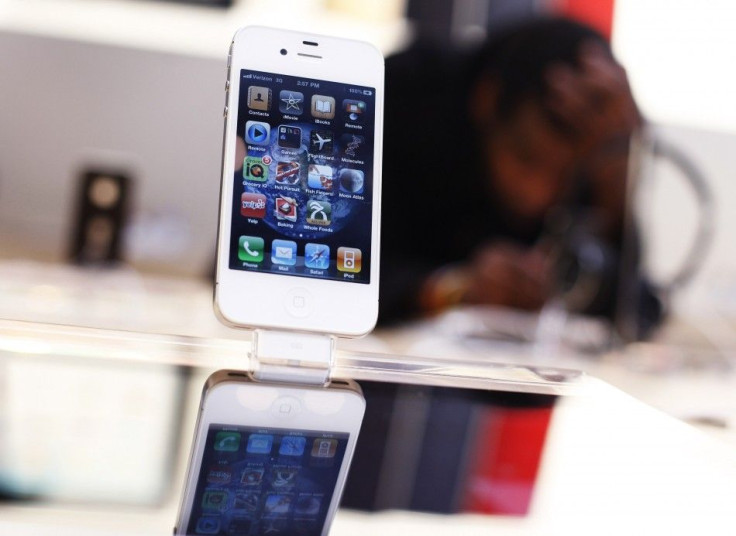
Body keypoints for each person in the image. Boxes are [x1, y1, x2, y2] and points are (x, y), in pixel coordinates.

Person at [378, 17, 652, 327]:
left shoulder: (591, 148)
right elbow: (334, 267)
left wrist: (617, 188)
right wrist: (450, 288)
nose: (539, 196)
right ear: (488, 98)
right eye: (526, 158)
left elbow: (638, 311)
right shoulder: (407, 98)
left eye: (565, 177)